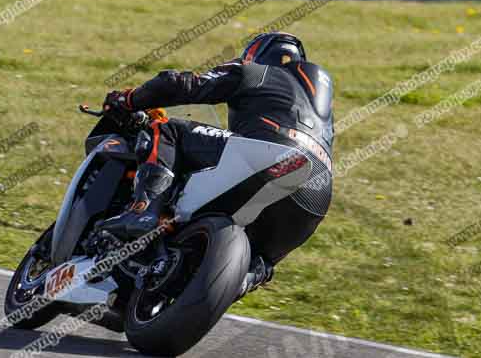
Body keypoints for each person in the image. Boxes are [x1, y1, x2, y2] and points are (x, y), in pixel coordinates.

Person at [97, 32, 334, 293]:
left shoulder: (256, 72)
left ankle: (144, 210)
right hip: (317, 196)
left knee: (165, 129)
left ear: (257, 56)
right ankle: (249, 275)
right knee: (260, 262)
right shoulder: (321, 114)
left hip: (268, 155)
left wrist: (128, 99)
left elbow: (179, 84)